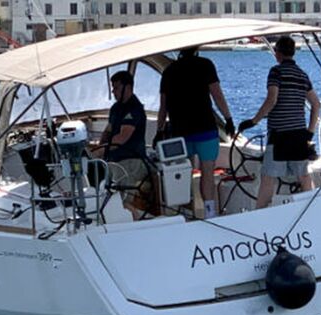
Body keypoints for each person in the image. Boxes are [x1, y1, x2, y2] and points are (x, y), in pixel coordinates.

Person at [237, 35, 321, 209]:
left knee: (268, 178)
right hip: (299, 134)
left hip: (280, 135)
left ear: (278, 53)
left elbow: (272, 99)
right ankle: (312, 210)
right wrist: (310, 132)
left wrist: (254, 121)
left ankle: (259, 214)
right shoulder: (302, 75)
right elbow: (316, 104)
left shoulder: (276, 72)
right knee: (303, 176)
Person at [157, 47, 234, 218]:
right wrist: (228, 118)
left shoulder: (169, 71)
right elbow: (217, 95)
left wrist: (159, 130)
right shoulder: (205, 65)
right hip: (205, 127)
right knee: (207, 170)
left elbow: (163, 106)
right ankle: (209, 212)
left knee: (183, 172)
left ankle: (185, 212)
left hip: (179, 131)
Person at [99, 70, 148, 212]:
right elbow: (108, 131)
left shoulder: (134, 109)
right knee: (106, 193)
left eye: (117, 88)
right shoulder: (116, 108)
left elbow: (122, 137)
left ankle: (133, 219)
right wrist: (100, 147)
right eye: (113, 88)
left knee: (119, 200)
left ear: (128, 87)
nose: (113, 92)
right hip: (114, 160)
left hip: (132, 160)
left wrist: (100, 151)